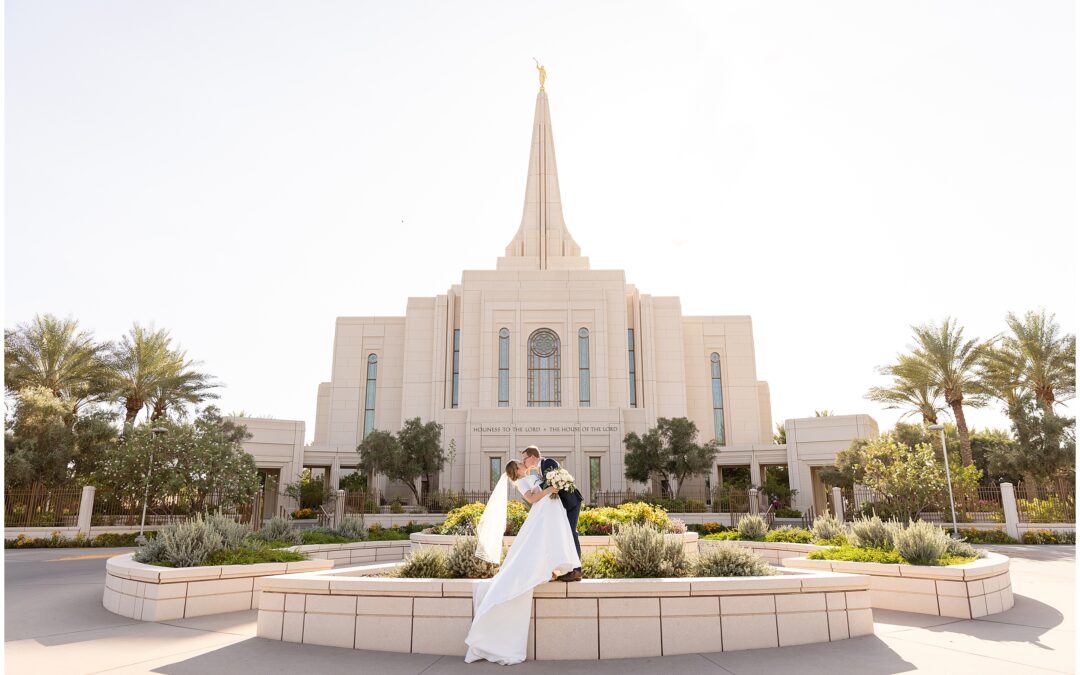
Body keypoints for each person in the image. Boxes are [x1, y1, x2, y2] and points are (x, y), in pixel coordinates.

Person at [464, 458, 581, 665]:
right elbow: (532, 498)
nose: (522, 464)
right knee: (534, 546)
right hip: (541, 510)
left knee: (548, 540)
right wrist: (549, 490)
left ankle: (553, 567)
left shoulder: (532, 476)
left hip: (548, 511)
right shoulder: (521, 482)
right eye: (520, 463)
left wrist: (551, 486)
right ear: (515, 470)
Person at [520, 445, 584, 582]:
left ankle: (577, 570)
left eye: (524, 459)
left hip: (571, 502)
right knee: (564, 533)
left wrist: (540, 489)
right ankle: (568, 568)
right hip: (560, 507)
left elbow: (555, 479)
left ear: (532, 457)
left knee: (571, 532)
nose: (524, 462)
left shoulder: (548, 462)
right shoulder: (537, 471)